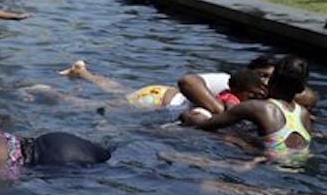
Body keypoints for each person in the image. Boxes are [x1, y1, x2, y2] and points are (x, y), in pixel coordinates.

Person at [179, 55, 313, 161]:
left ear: (271, 80)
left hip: (270, 162)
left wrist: (191, 117)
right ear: (301, 88)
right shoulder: (304, 113)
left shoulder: (257, 107)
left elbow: (205, 125)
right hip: (299, 160)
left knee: (225, 138)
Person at [59, 56, 276, 110]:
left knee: (117, 90)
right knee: (93, 106)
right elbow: (187, 81)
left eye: (269, 77)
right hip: (157, 100)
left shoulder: (260, 95)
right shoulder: (226, 81)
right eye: (261, 75)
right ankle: (48, 92)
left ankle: (82, 72)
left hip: (158, 95)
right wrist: (220, 111)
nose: (264, 81)